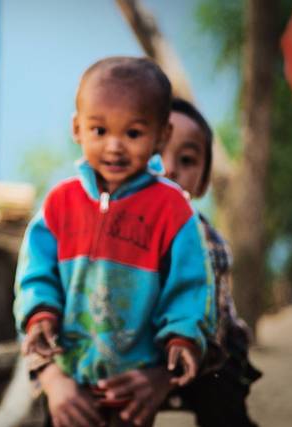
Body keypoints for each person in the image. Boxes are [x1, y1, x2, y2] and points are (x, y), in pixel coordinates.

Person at [14, 56, 216, 427]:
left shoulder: (173, 209)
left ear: (162, 136)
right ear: (77, 128)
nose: (114, 147)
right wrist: (39, 315)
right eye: (100, 130)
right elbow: (36, 272)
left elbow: (190, 286)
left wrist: (183, 337)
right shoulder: (60, 203)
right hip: (68, 375)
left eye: (133, 134)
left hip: (133, 383)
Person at [158, 97, 261, 427]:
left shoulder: (205, 240)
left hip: (210, 345)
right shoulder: (107, 229)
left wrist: (156, 377)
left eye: (187, 160)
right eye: (155, 152)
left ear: (202, 183)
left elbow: (208, 329)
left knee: (222, 394)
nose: (168, 168)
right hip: (136, 343)